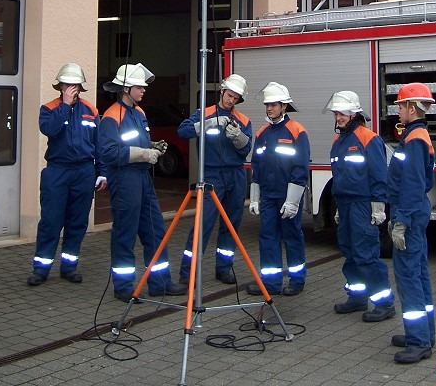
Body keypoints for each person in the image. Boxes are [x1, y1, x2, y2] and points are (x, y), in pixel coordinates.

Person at [99, 63, 186, 302]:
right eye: (140, 86)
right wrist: (144, 154)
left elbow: (138, 141)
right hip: (125, 178)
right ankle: (123, 287)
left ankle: (160, 283)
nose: (144, 90)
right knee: (125, 233)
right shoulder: (111, 116)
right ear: (126, 88)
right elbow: (109, 153)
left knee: (156, 230)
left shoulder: (139, 113)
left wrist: (152, 146)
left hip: (142, 178)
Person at [28, 63, 107, 286]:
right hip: (57, 171)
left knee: (77, 222)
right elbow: (49, 129)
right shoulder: (49, 108)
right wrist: (64, 105)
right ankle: (41, 269)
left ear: (81, 87)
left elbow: (98, 144)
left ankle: (69, 267)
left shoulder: (91, 110)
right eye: (67, 84)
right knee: (51, 221)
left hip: (84, 171)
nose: (72, 88)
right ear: (60, 86)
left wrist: (102, 172)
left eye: (75, 85)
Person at [326, 91, 395, 322]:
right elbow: (338, 176)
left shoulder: (369, 138)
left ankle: (384, 304)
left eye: (342, 114)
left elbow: (379, 174)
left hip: (362, 205)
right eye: (336, 113)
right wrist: (338, 205)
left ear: (354, 114)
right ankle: (357, 297)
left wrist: (378, 206)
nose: (338, 118)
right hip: (345, 203)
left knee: (366, 254)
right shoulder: (338, 141)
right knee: (350, 252)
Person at [177, 74, 252, 285]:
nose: (231, 100)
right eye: (229, 95)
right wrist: (208, 123)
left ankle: (224, 268)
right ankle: (188, 272)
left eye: (235, 98)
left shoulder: (243, 120)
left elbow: (246, 149)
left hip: (236, 174)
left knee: (231, 224)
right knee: (203, 224)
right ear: (222, 91)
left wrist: (238, 137)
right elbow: (183, 131)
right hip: (211, 175)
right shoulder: (204, 113)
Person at [387, 82, 436, 364]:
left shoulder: (415, 138)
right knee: (418, 273)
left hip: (410, 212)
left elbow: (413, 184)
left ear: (411, 107)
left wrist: (401, 221)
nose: (398, 110)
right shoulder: (417, 135)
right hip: (415, 211)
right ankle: (424, 334)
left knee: (408, 277)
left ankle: (418, 341)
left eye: (400, 106)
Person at [246, 82, 310, 297]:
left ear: (284, 106)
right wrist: (255, 198)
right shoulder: (262, 133)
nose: (269, 108)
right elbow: (256, 166)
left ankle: (297, 280)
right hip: (268, 196)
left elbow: (300, 168)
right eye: (267, 105)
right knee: (267, 238)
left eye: (273, 105)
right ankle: (271, 283)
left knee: (292, 237)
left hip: (287, 196)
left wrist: (292, 201)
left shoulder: (297, 131)